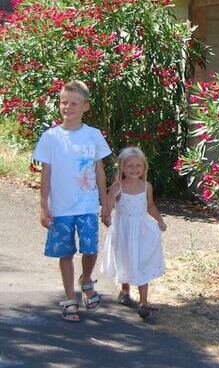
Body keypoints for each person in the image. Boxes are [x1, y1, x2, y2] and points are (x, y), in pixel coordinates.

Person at [33, 80, 112, 322]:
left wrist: (105, 201)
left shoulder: (93, 135)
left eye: (74, 103)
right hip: (61, 208)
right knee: (65, 253)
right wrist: (44, 206)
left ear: (86, 106)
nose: (68, 107)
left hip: (87, 205)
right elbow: (45, 174)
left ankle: (86, 279)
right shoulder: (51, 137)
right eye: (64, 102)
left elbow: (99, 171)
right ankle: (70, 298)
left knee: (90, 248)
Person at [101, 146, 166, 320]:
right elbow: (108, 203)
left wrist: (159, 220)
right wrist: (106, 215)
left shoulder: (147, 186)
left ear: (144, 167)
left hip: (141, 230)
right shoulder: (118, 186)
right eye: (130, 166)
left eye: (138, 166)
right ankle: (125, 291)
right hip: (123, 229)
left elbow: (150, 206)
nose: (134, 169)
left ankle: (143, 301)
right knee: (124, 259)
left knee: (141, 260)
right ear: (122, 167)